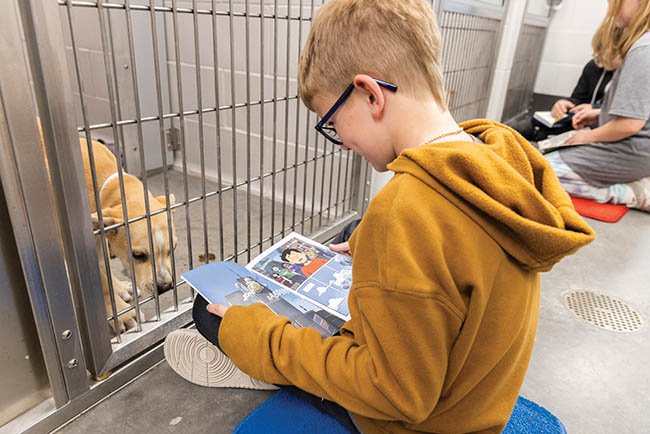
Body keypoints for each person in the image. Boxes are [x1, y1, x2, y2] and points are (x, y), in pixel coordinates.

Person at [164, 1, 594, 433]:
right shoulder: (497, 158)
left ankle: (264, 366)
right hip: (476, 400)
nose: (344, 143)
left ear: (370, 94)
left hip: (418, 422)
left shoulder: (406, 210)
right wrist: (374, 247)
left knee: (212, 313)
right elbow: (460, 256)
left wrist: (260, 339)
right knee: (357, 232)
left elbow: (393, 395)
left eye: (332, 123)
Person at [545, 0, 650, 211]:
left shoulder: (644, 50)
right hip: (635, 149)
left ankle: (633, 193)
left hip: (631, 150)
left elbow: (630, 124)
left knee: (540, 173)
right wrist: (599, 114)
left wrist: (589, 136)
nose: (611, 9)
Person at [509, 59, 613, 141]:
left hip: (600, 131)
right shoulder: (595, 65)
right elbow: (578, 98)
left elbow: (622, 117)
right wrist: (564, 104)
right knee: (511, 129)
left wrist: (595, 108)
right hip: (572, 122)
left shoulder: (625, 75)